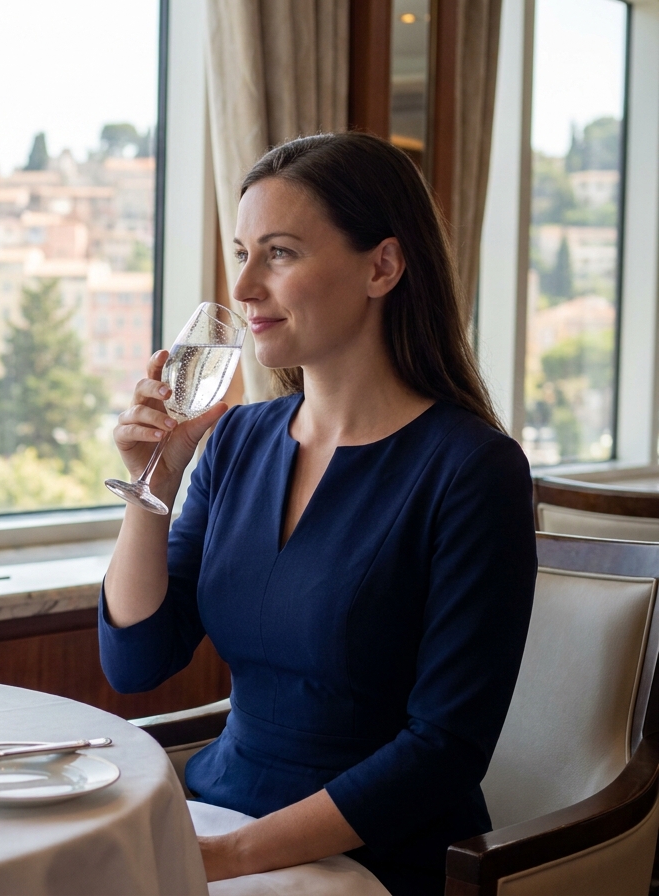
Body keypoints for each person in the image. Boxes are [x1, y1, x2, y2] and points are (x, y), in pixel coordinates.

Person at [99, 132, 537, 896]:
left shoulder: (474, 471)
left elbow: (444, 749)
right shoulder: (236, 440)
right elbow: (136, 664)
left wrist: (232, 859)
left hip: (374, 856)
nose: (242, 289)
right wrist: (156, 481)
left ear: (382, 266)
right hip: (217, 814)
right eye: (242, 253)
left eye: (279, 253)